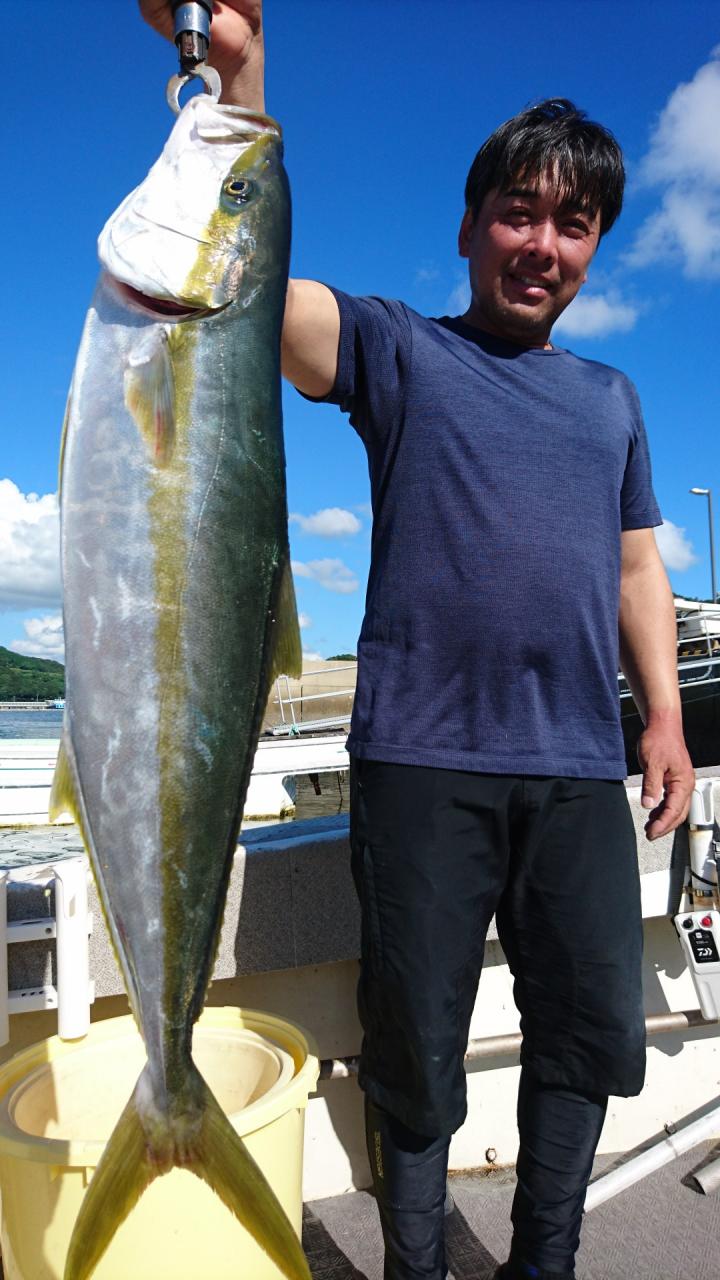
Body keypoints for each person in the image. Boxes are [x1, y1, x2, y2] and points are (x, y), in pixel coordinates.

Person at [141, 6, 696, 1278]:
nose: (541, 243)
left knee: (587, 1035)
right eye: (516, 212)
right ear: (469, 227)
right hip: (421, 761)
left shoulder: (612, 398)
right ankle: (415, 1263)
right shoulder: (403, 352)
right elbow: (251, 292)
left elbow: (637, 567)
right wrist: (241, 81)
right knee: (414, 1044)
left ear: (595, 246)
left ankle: (544, 1259)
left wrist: (664, 714)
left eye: (572, 224)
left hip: (578, 768)